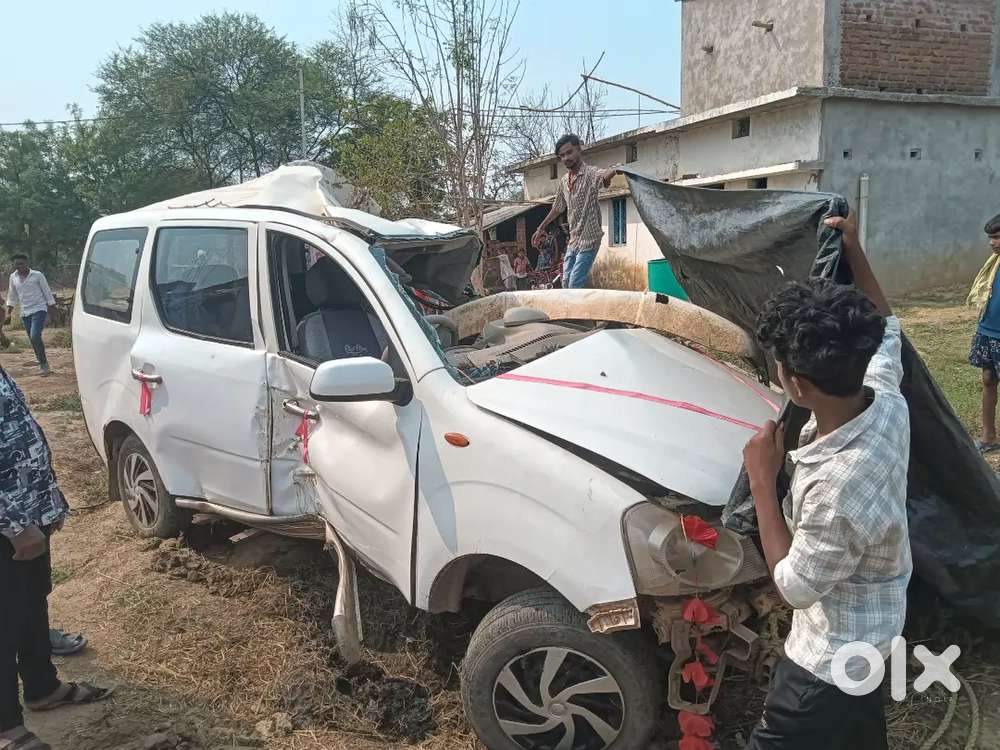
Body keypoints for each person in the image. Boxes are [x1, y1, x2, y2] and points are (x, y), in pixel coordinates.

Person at [742, 209, 911, 749]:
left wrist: (763, 485)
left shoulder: (837, 486)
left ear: (795, 384)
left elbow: (794, 586)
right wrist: (853, 248)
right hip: (876, 636)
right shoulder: (883, 400)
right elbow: (889, 330)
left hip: (825, 666)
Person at [1, 366, 113, 750]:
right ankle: (6, 728)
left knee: (33, 604)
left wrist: (47, 506)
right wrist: (14, 525)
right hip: (9, 524)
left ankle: (42, 687)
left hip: (28, 514)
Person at [531, 135, 618, 289]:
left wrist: (617, 168)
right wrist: (540, 228)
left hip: (589, 238)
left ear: (579, 149)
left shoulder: (590, 173)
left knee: (574, 282)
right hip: (574, 239)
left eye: (569, 152)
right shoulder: (564, 181)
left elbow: (603, 176)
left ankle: (576, 313)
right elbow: (558, 207)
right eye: (562, 156)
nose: (566, 158)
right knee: (565, 282)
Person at [965, 213, 1000, 453]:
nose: (992, 243)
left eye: (997, 237)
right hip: (989, 331)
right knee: (988, 379)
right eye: (991, 238)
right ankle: (989, 437)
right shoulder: (994, 264)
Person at [6, 256, 56, 376]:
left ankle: (44, 365)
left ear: (26, 263)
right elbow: (12, 295)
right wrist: (9, 312)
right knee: (32, 339)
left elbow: (47, 291)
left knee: (35, 336)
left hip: (39, 309)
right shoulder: (13, 277)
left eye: (21, 264)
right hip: (25, 312)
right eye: (16, 265)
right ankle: (40, 360)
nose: (18, 267)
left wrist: (52, 308)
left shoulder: (37, 275)